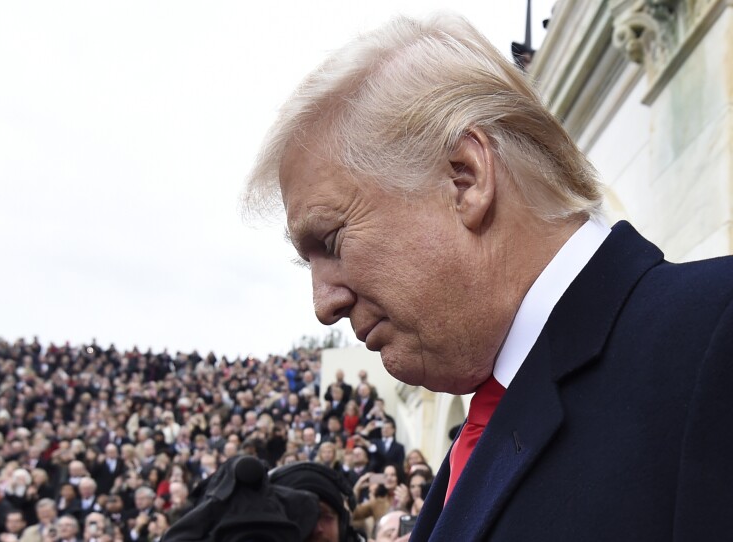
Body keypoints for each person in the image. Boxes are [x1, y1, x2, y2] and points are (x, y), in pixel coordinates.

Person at [244, 10, 733, 541]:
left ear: (466, 178)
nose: (323, 305)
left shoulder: (714, 340)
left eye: (333, 241)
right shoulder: (476, 439)